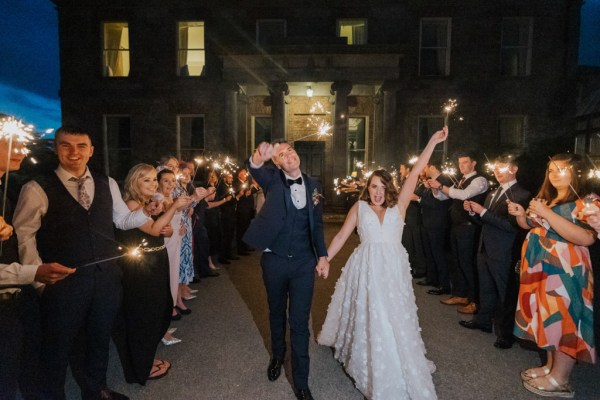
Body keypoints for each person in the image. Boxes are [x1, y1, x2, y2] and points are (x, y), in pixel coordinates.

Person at [13, 126, 155, 400]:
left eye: (81, 146)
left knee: (98, 338)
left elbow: (122, 220)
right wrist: (38, 279)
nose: (74, 152)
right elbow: (24, 235)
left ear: (91, 151)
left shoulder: (106, 183)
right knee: (57, 345)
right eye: (66, 145)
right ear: (56, 149)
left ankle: (96, 390)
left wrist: (146, 212)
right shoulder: (37, 187)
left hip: (105, 279)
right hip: (62, 282)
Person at [318, 127, 448, 400]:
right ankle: (376, 369)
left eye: (382, 186)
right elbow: (342, 235)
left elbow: (415, 173)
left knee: (396, 316)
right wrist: (325, 259)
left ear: (389, 188)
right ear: (368, 188)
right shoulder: (359, 208)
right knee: (372, 315)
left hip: (393, 271)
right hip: (365, 269)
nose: (377, 192)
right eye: (373, 186)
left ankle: (399, 361)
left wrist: (432, 142)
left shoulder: (399, 206)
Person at [243, 140, 329, 400]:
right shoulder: (272, 180)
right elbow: (255, 168)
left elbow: (317, 226)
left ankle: (301, 383)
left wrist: (322, 255)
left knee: (300, 322)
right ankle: (278, 356)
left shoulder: (315, 185)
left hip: (304, 263)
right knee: (277, 313)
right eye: (282, 155)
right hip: (275, 260)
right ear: (277, 163)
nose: (288, 156)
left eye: (290, 151)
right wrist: (260, 156)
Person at [507, 153, 596, 398]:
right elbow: (532, 225)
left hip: (566, 269)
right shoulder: (551, 197)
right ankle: (550, 367)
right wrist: (520, 215)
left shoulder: (587, 200)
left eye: (562, 169)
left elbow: (586, 238)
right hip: (542, 268)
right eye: (551, 170)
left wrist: (546, 213)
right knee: (548, 317)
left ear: (577, 172)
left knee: (565, 319)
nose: (554, 174)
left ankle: (561, 379)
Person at [0, 131, 74, 400]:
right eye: (11, 140)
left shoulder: (4, 191)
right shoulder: (35, 188)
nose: (22, 147)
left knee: (29, 363)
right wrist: (36, 273)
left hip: (17, 297)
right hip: (7, 295)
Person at [112, 164, 192, 384]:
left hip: (157, 261)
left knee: (160, 308)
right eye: (146, 180)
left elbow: (162, 229)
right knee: (144, 316)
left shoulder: (150, 204)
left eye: (153, 179)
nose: (153, 184)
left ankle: (147, 358)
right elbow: (154, 229)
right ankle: (141, 367)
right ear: (133, 182)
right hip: (141, 268)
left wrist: (170, 228)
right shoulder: (131, 204)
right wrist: (174, 206)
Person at [458, 155, 531, 350]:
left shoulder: (522, 194)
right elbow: (486, 221)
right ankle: (483, 321)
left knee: (505, 294)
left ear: (514, 169)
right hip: (485, 247)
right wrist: (474, 213)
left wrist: (483, 212)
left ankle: (507, 334)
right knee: (486, 288)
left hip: (504, 251)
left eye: (503, 168)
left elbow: (511, 226)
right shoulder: (493, 192)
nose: (497, 172)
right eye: (495, 168)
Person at [429, 152, 488, 314]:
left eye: (465, 162)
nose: (461, 166)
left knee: (468, 264)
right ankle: (461, 294)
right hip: (456, 226)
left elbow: (464, 195)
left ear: (474, 163)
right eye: (460, 163)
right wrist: (435, 189)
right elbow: (443, 197)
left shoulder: (479, 180)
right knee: (457, 262)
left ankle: (475, 300)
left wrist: (440, 186)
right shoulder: (460, 180)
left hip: (469, 227)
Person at [416, 163, 452, 294]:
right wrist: (424, 187)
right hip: (427, 221)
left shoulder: (445, 180)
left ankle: (444, 284)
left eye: (425, 167)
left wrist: (419, 199)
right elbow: (420, 193)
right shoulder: (428, 181)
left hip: (438, 222)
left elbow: (438, 204)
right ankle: (432, 278)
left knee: (438, 254)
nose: (424, 170)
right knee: (429, 253)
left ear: (432, 167)